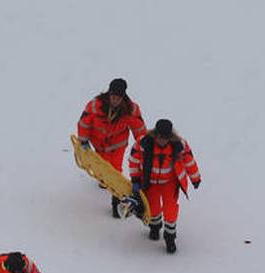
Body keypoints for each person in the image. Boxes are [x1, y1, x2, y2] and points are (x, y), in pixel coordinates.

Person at [127, 119, 201, 253]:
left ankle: (170, 238)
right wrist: (135, 179)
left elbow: (189, 161)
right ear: (156, 134)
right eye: (160, 137)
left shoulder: (180, 145)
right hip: (150, 182)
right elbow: (134, 160)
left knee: (170, 210)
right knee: (153, 208)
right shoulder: (143, 142)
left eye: (165, 138)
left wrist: (195, 178)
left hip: (170, 183)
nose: (162, 140)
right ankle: (155, 227)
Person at [77, 78, 147, 216]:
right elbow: (84, 123)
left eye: (118, 97)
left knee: (115, 173)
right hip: (99, 145)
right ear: (109, 94)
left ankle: (116, 203)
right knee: (102, 167)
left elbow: (139, 130)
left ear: (123, 97)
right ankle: (103, 181)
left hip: (117, 146)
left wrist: (143, 146)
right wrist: (83, 141)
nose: (115, 100)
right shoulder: (95, 105)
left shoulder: (131, 110)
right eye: (112, 96)